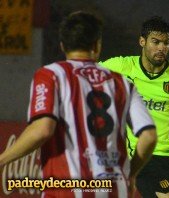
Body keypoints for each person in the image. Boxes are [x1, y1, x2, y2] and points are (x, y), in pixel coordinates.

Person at [0, 11, 157, 198]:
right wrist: (131, 174)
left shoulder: (51, 75)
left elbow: (42, 130)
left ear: (63, 45)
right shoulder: (123, 83)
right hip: (114, 189)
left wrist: (2, 160)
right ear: (97, 44)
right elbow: (148, 136)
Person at [100, 16, 169, 198]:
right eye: (155, 42)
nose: (161, 48)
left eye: (166, 43)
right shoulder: (123, 67)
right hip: (143, 157)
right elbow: (86, 74)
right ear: (142, 41)